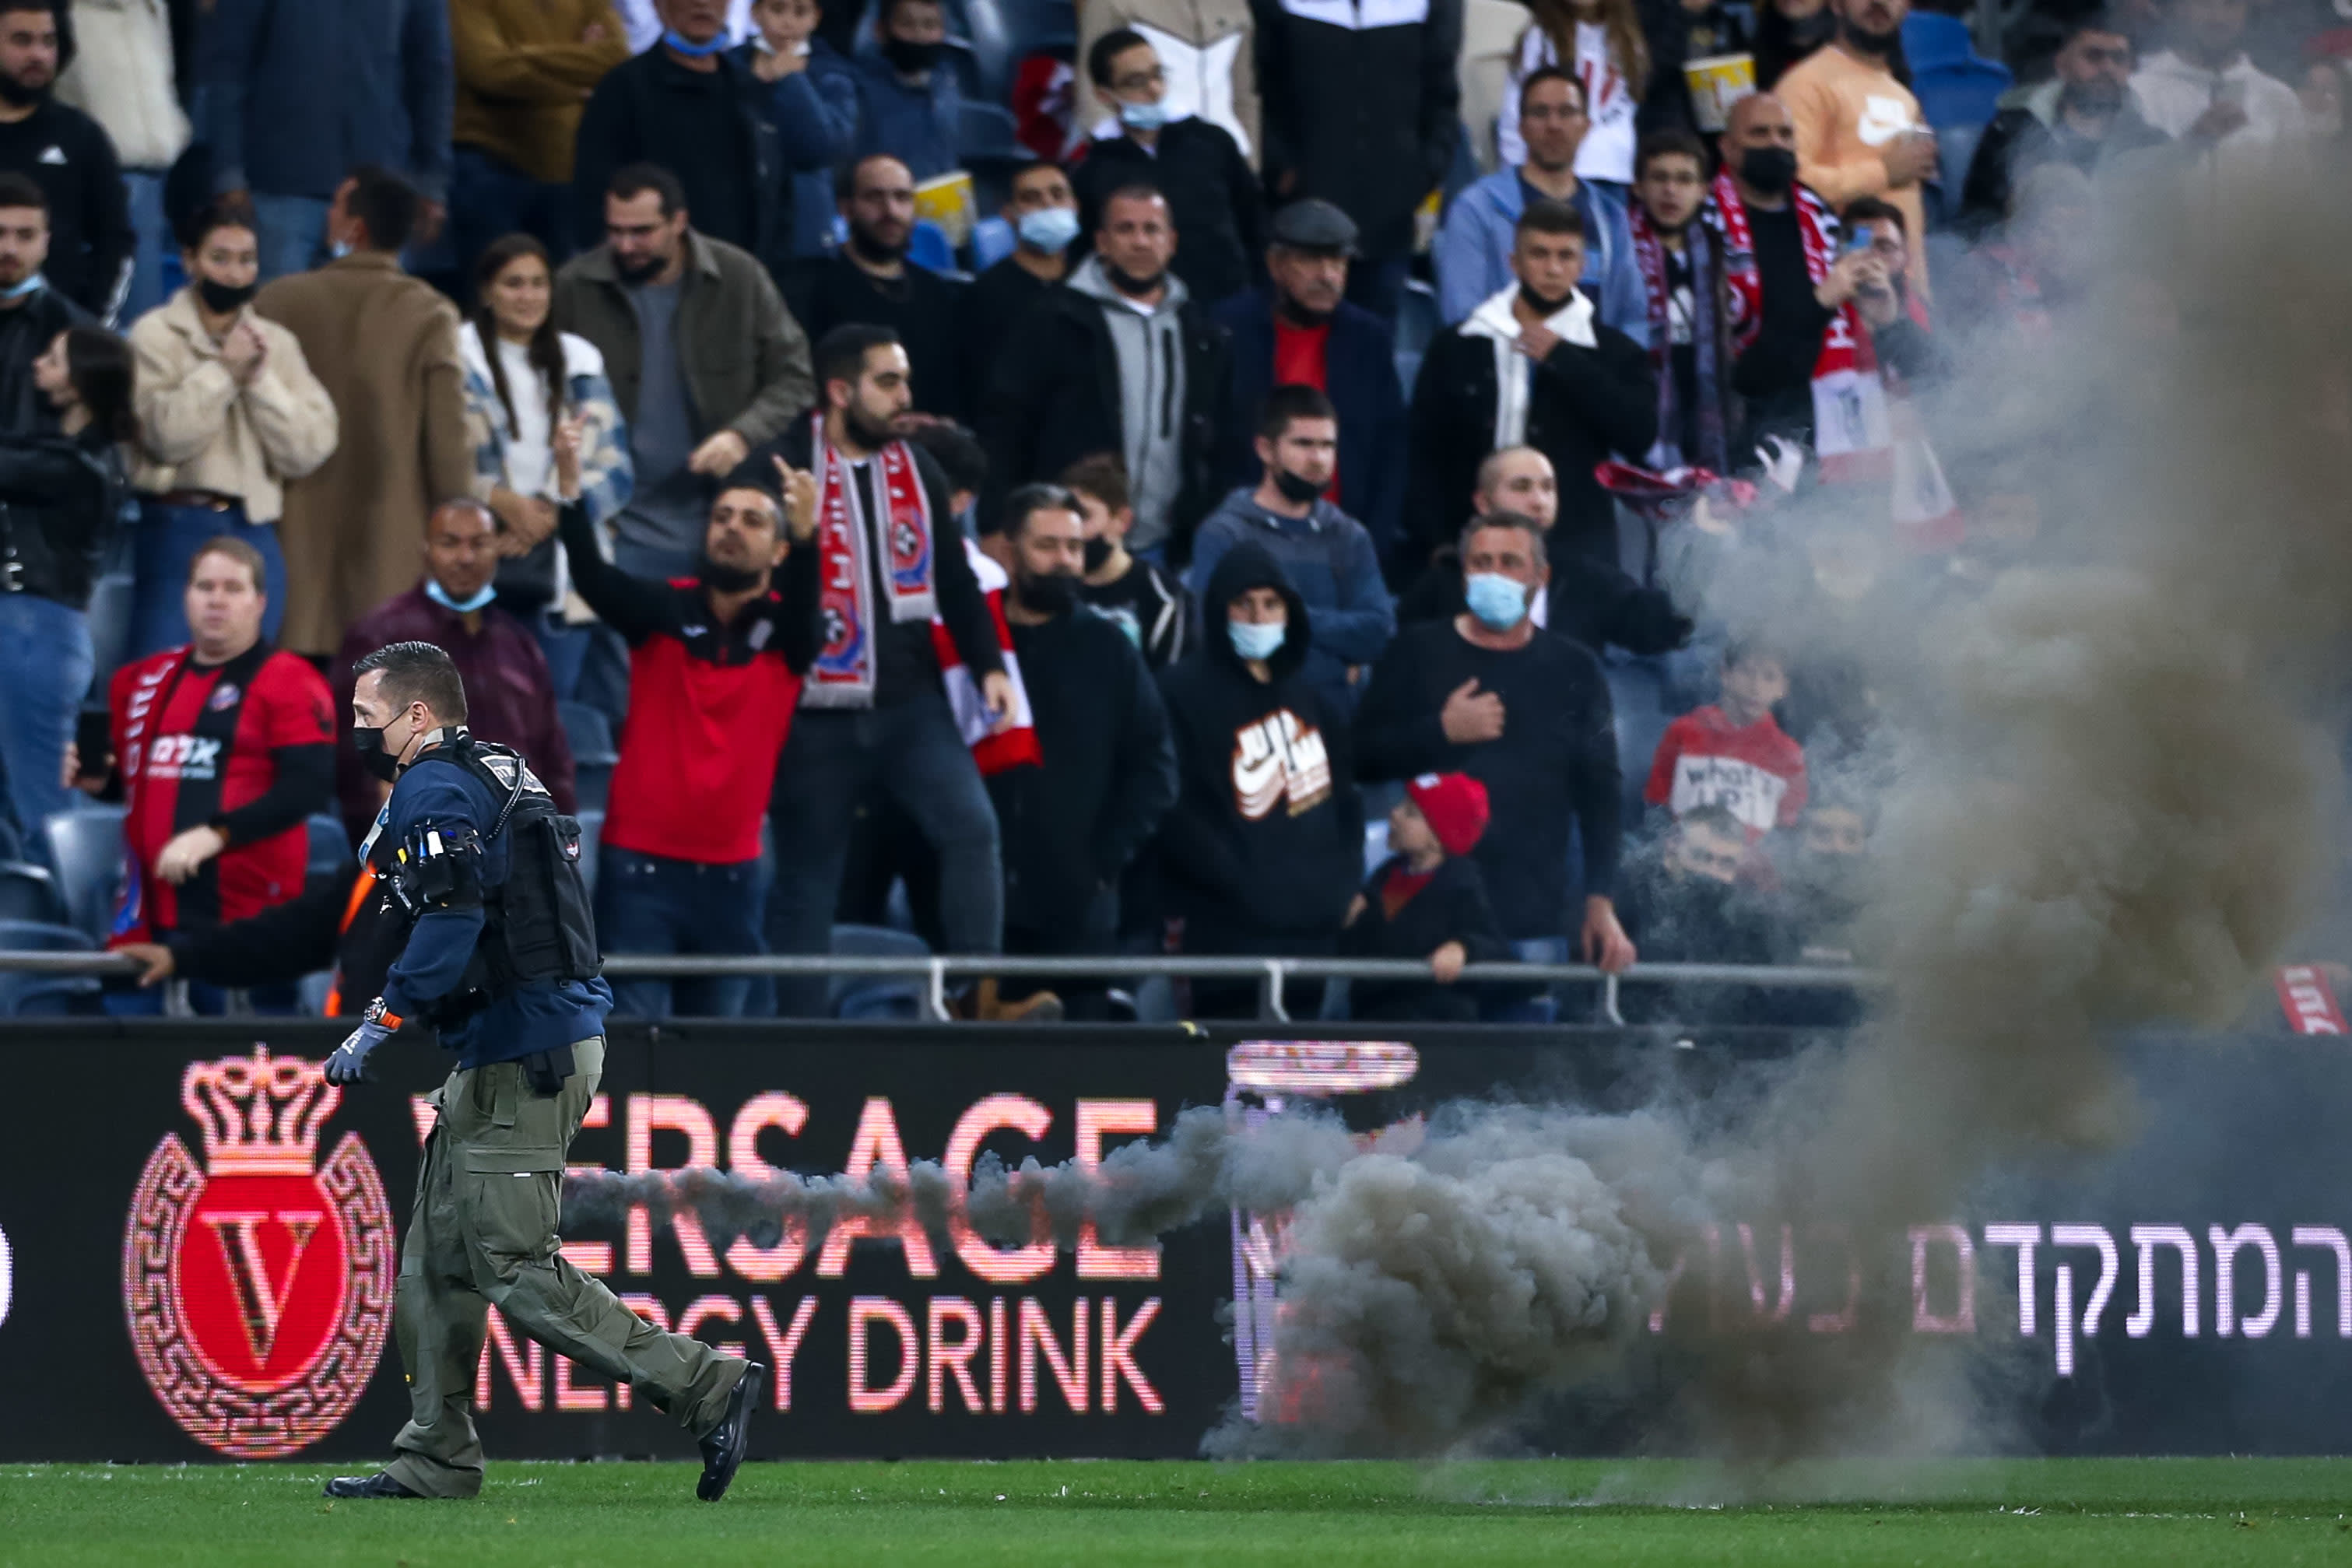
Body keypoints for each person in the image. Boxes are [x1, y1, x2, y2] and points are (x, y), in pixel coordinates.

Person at [311, 640, 764, 1503]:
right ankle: (434, 1457)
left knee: (513, 1263)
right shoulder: (495, 768)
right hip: (511, 1043)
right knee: (436, 1264)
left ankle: (706, 1383)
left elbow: (449, 917)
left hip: (525, 1050)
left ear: (417, 714)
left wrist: (382, 1018)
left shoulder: (435, 786)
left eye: (368, 715)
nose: (358, 731)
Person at [760, 323, 1016, 1017]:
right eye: (889, 381)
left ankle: (979, 998)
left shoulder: (918, 467)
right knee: (809, 878)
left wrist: (988, 663)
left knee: (972, 829)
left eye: (905, 380)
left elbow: (954, 575)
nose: (906, 396)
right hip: (814, 708)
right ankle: (796, 1037)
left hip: (909, 703)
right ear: (841, 390)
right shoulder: (783, 463)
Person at [560, 436, 819, 1019]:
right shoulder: (663, 609)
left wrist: (809, 540)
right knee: (636, 1046)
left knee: (715, 1056)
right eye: (722, 516)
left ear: (779, 550)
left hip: (734, 878)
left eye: (752, 520)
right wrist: (570, 492)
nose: (731, 528)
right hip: (639, 870)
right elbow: (593, 578)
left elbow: (807, 606)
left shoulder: (790, 636)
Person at [1355, 512, 1637, 1015]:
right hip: (1420, 933)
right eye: (1481, 562)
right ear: (1464, 572)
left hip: (1528, 924)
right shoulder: (1416, 650)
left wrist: (1601, 900)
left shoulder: (1575, 667)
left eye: (1510, 562)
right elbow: (1359, 757)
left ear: (1540, 576)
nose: (1494, 574)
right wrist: (1440, 731)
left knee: (1519, 1064)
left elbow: (1601, 795)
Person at [72, 534, 331, 1011]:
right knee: (136, 1048)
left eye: (233, 588)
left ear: (260, 602)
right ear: (186, 596)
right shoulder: (142, 681)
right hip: (145, 914)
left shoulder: (292, 680)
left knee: (241, 1057)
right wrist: (101, 784)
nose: (216, 599)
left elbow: (307, 787)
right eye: (205, 587)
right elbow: (142, 781)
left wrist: (217, 834)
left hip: (246, 921)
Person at [255, 167, 476, 661]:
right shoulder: (430, 313)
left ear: (354, 227)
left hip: (291, 552)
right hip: (390, 559)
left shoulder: (277, 302)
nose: (328, 216)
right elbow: (449, 449)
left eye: (336, 207)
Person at [553, 162, 814, 581]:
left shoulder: (739, 277)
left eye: (642, 232)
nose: (625, 245)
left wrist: (742, 434)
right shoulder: (573, 286)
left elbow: (796, 375)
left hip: (724, 520)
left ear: (678, 222)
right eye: (615, 231)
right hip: (617, 525)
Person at [989, 483, 1178, 1017]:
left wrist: (1100, 862)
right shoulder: (975, 644)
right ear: (1008, 550)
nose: (1065, 561)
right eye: (1047, 546)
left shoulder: (1109, 648)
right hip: (981, 903)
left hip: (1078, 911)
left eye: (1073, 547)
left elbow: (1156, 769)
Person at [127, 195, 338, 660]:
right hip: (178, 524)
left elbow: (309, 448)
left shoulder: (276, 344)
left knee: (250, 682)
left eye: (246, 260)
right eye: (220, 258)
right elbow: (164, 437)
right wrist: (223, 372)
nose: (235, 273)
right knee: (162, 675)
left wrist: (259, 381)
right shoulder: (153, 335)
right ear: (190, 261)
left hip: (255, 528)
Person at [1154, 539, 1359, 1016]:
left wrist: (1340, 891)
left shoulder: (1312, 699)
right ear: (1219, 608)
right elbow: (1174, 809)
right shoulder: (1179, 692)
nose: (1258, 616)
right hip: (1224, 932)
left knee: (1300, 1060)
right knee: (1226, 1059)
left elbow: (1344, 804)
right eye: (1243, 603)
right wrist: (1245, 886)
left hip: (1312, 932)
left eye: (1271, 603)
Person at [978, 184, 1230, 563]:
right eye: (1126, 229)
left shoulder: (1200, 329)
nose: (1140, 242)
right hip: (1069, 545)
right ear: (1102, 242)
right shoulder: (1053, 319)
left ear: (1172, 241)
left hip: (1172, 547)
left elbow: (1220, 433)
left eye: (1152, 229)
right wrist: (996, 521)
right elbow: (1006, 425)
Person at [1405, 199, 1657, 572]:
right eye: (1539, 254)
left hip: (1578, 556)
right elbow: (1423, 451)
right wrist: (1437, 541)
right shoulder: (1459, 345)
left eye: (1565, 256)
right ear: (1514, 262)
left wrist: (1566, 359)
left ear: (1582, 266)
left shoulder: (1614, 351)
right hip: (1469, 547)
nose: (1553, 269)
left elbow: (1639, 435)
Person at [335, 499, 579, 847]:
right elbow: (352, 755)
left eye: (479, 544)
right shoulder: (380, 636)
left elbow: (552, 754)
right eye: (450, 543)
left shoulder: (518, 643)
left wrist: (557, 837)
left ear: (497, 549)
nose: (466, 558)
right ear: (426, 550)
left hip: (518, 845)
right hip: (422, 847)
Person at [458, 232, 633, 696]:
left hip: (565, 574)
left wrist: (550, 515)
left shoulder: (580, 360)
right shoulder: (454, 359)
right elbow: (434, 462)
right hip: (478, 563)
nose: (528, 296)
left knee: (556, 717)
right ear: (487, 292)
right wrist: (498, 502)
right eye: (513, 283)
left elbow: (617, 471)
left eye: (538, 283)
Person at [1212, 198, 1406, 571]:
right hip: (1247, 545)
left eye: (1338, 262)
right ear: (1276, 264)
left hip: (1343, 546)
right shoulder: (1229, 330)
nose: (1327, 275)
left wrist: (1373, 544)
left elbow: (1390, 449)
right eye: (1312, 261)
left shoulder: (1368, 338)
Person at [203, 0, 455, 282]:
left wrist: (432, 181)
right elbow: (228, 68)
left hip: (378, 192)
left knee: (370, 310)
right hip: (280, 186)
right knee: (279, 309)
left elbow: (433, 72)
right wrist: (229, 173)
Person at [1187, 384, 1394, 717]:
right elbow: (1215, 638)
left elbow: (1378, 631)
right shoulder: (1225, 534)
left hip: (1337, 723)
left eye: (1327, 446)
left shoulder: (1348, 535)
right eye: (1303, 444)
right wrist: (1335, 668)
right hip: (1251, 717)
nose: (1318, 459)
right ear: (1265, 449)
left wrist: (1286, 620)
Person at [1252, 0, 1461, 325]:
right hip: (1301, 216)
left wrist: (1420, 176)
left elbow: (1442, 98)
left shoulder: (1428, 5)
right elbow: (1263, 89)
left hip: (1389, 220)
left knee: (1371, 342)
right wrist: (1282, 173)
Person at [0, 322, 128, 844]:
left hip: (35, 635)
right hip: (38, 632)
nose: (37, 365)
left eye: (52, 359)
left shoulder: (76, 466)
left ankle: (65, 893)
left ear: (79, 381)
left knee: (41, 809)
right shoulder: (75, 452)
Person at [1395, 445, 1690, 658]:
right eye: (1521, 487)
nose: (1539, 501)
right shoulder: (1439, 587)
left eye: (1548, 488)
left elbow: (1653, 626)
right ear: (1483, 502)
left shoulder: (1584, 579)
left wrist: (1704, 567)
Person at [1712, 93, 1881, 463]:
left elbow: (1858, 322)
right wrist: (1822, 301)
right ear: (1728, 148)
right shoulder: (1708, 224)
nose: (1775, 143)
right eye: (1759, 133)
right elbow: (1745, 371)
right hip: (1746, 425)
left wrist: (1881, 309)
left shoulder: (1821, 216)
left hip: (1826, 421)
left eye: (1785, 134)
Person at [571, 0, 785, 272]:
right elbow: (592, 197)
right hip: (654, 274)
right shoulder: (622, 90)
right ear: (658, 5)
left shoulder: (747, 89)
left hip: (739, 272)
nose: (702, 3)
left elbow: (777, 188)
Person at [1437, 68, 1648, 339]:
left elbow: (1633, 318)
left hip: (1595, 364)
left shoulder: (1610, 216)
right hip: (1506, 362)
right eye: (1540, 112)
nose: (1554, 125)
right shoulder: (1477, 209)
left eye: (1567, 112)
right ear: (1522, 127)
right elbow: (1463, 315)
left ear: (1586, 126)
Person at [1072, 28, 1262, 308]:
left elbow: (1254, 222)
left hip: (1227, 302)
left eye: (1158, 75)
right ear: (1105, 95)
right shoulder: (1093, 169)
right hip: (1142, 309)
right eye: (1136, 82)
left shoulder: (1212, 142)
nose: (1154, 89)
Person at [446, 0, 631, 279]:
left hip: (565, 169)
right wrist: (578, 79)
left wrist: (517, 55)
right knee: (496, 293)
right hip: (490, 165)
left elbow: (616, 56)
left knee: (563, 297)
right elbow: (488, 70)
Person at [785, 155, 972, 422]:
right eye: (874, 198)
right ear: (847, 208)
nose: (890, 211)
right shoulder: (812, 289)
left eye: (902, 197)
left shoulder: (936, 292)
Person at [1774, 0, 1936, 300]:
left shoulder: (1904, 97)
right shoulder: (1805, 84)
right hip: (1838, 292)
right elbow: (1787, 186)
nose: (1879, 3)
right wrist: (1883, 172)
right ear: (1837, 4)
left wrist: (1921, 295)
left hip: (1902, 297)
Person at [1957, 14, 2170, 237]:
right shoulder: (2011, 131)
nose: (2107, 67)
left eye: (2118, 59)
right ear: (2062, 65)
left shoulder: (2151, 144)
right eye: (2093, 56)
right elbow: (1974, 222)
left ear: (2131, 70)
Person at [1340, 772, 1508, 1022]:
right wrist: (1352, 921)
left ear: (1438, 837)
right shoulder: (1384, 876)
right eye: (1401, 805)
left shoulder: (1461, 883)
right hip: (1373, 1018)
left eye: (1411, 813)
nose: (1394, 813)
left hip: (1432, 1025)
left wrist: (1463, 948)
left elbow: (1492, 942)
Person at [51, 0, 181, 321]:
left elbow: (171, 77)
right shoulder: (69, 12)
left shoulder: (152, 7)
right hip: (110, 173)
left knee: (160, 319)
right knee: (133, 314)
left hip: (164, 173)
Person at [1629, 129, 1739, 473]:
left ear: (1703, 190)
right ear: (1638, 187)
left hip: (1705, 406)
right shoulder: (1623, 248)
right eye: (1659, 178)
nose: (1671, 190)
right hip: (1642, 406)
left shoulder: (1719, 249)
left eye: (1684, 179)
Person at [1644, 640, 1807, 844]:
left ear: (1783, 688)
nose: (1756, 687)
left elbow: (1787, 832)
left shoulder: (1788, 754)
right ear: (1725, 674)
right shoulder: (1683, 731)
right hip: (1688, 854)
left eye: (1769, 677)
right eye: (1747, 672)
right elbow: (1657, 809)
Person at [732, 0, 860, 262]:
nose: (788, 22)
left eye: (800, 12)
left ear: (816, 17)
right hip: (738, 224)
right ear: (755, 13)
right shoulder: (729, 65)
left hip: (804, 234)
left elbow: (821, 148)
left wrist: (791, 79)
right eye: (777, 9)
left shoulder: (834, 73)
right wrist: (755, 84)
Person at [1496, 0, 1660, 186]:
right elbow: (1515, 113)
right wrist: (1513, 173)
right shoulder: (1539, 39)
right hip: (1551, 174)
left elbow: (1629, 106)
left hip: (1612, 172)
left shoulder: (1628, 41)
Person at [1076, 0, 1259, 164]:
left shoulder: (1237, 5)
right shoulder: (1112, 4)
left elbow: (1246, 97)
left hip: (1230, 158)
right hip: (1147, 163)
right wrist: (1120, 162)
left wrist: (1251, 163)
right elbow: (1092, 95)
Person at [1061, 451, 1189, 668]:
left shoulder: (1162, 596)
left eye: (1084, 516)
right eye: (1068, 517)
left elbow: (1171, 679)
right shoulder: (1053, 584)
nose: (1074, 531)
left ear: (1122, 520)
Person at [2129, 0, 2307, 153]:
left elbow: (2295, 181)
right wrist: (2190, 147)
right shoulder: (2139, 93)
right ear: (2178, 7)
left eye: (2231, 3)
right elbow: (2126, 175)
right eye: (2204, 3)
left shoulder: (2278, 98)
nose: (2218, 18)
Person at [966, 160, 1079, 377]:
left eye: (1058, 195)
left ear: (1075, 205)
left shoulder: (1092, 280)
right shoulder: (987, 294)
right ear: (1009, 214)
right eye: (1032, 198)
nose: (1048, 205)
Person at [0, 171, 85, 434]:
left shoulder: (75, 332)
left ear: (45, 243)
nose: (10, 249)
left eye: (26, 236)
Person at [850, 0, 961, 180]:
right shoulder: (857, 91)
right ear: (880, 30)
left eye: (930, 25)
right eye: (907, 24)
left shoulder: (949, 87)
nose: (919, 35)